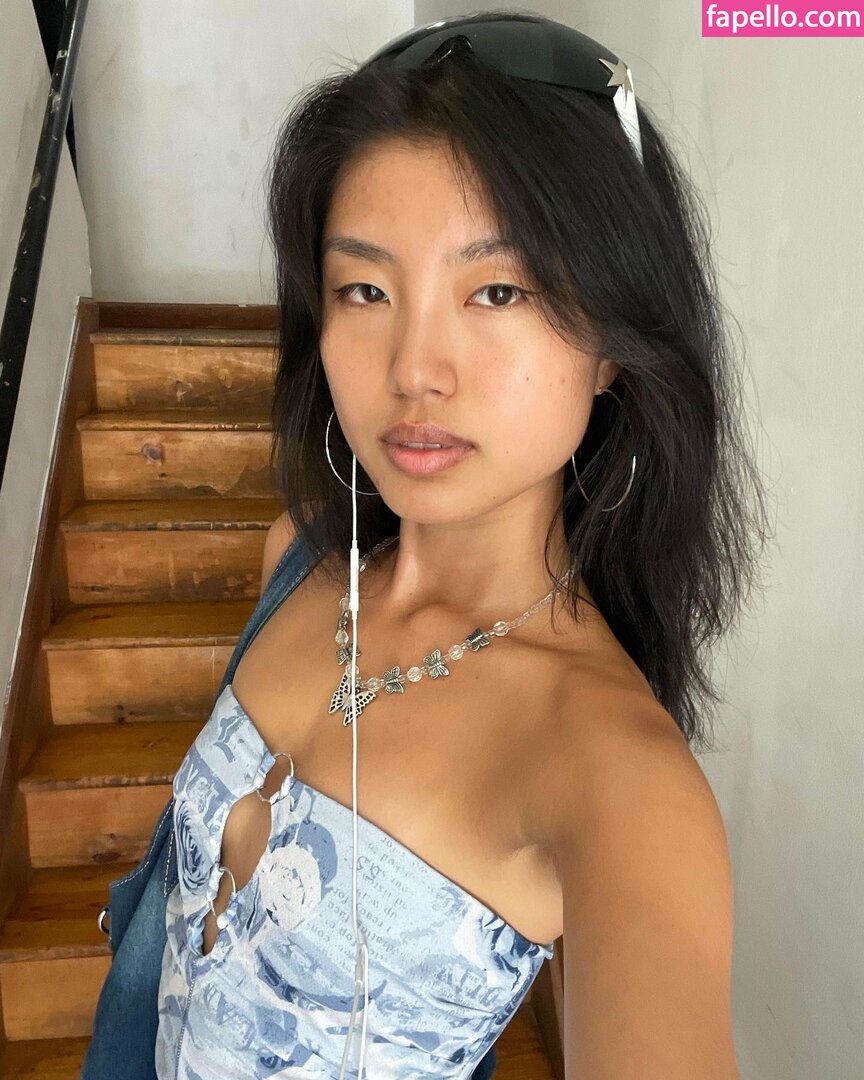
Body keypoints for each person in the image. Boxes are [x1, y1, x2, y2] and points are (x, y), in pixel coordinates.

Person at [85, 11, 770, 1079]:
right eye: (365, 289)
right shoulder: (298, 562)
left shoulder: (616, 775)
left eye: (496, 290)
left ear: (614, 343)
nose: (413, 368)